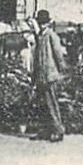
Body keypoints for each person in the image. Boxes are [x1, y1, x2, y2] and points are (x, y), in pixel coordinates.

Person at [31, 10, 68, 142]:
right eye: (40, 23)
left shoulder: (51, 35)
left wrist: (63, 70)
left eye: (43, 23)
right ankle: (46, 130)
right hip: (41, 75)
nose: (41, 25)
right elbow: (36, 57)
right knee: (43, 105)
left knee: (52, 104)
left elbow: (58, 55)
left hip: (50, 75)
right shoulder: (40, 36)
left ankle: (58, 130)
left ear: (47, 23)